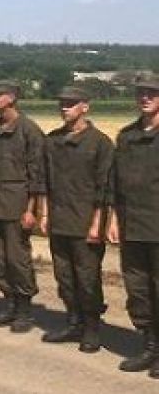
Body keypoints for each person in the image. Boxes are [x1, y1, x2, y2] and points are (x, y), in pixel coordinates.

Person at [39, 86, 112, 352]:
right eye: (61, 103)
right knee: (64, 276)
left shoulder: (100, 142)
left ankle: (92, 327)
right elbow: (44, 181)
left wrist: (97, 223)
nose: (64, 108)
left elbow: (105, 189)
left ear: (85, 106)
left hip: (86, 222)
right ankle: (73, 322)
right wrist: (44, 214)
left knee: (87, 277)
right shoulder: (52, 141)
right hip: (59, 219)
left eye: (70, 103)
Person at [0, 80, 46, 333]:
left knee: (17, 259)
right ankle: (8, 304)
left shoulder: (29, 130)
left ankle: (24, 309)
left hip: (18, 203)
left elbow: (36, 174)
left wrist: (31, 209)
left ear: (11, 97)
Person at [106, 75, 159, 376]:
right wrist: (114, 218)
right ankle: (149, 345)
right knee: (138, 288)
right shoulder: (126, 136)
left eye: (152, 93)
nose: (145, 98)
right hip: (133, 224)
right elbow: (116, 183)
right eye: (141, 93)